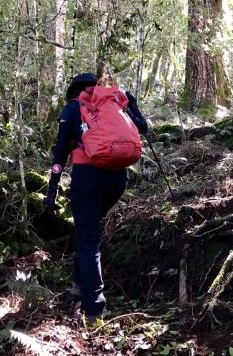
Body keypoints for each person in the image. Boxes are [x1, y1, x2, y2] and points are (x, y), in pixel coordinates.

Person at [44, 72, 147, 323]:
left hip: (87, 177)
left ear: (75, 91)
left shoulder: (73, 108)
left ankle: (93, 309)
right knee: (89, 231)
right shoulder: (114, 102)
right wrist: (131, 103)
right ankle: (79, 284)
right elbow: (142, 128)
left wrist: (53, 187)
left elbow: (60, 152)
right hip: (117, 179)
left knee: (88, 239)